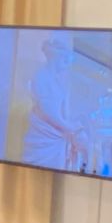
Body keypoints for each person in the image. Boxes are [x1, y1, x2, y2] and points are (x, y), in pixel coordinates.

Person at [22, 33, 87, 170]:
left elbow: (59, 109)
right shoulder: (41, 77)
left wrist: (72, 122)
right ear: (56, 57)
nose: (66, 65)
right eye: (65, 60)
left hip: (56, 136)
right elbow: (47, 112)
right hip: (44, 137)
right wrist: (68, 127)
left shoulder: (56, 80)